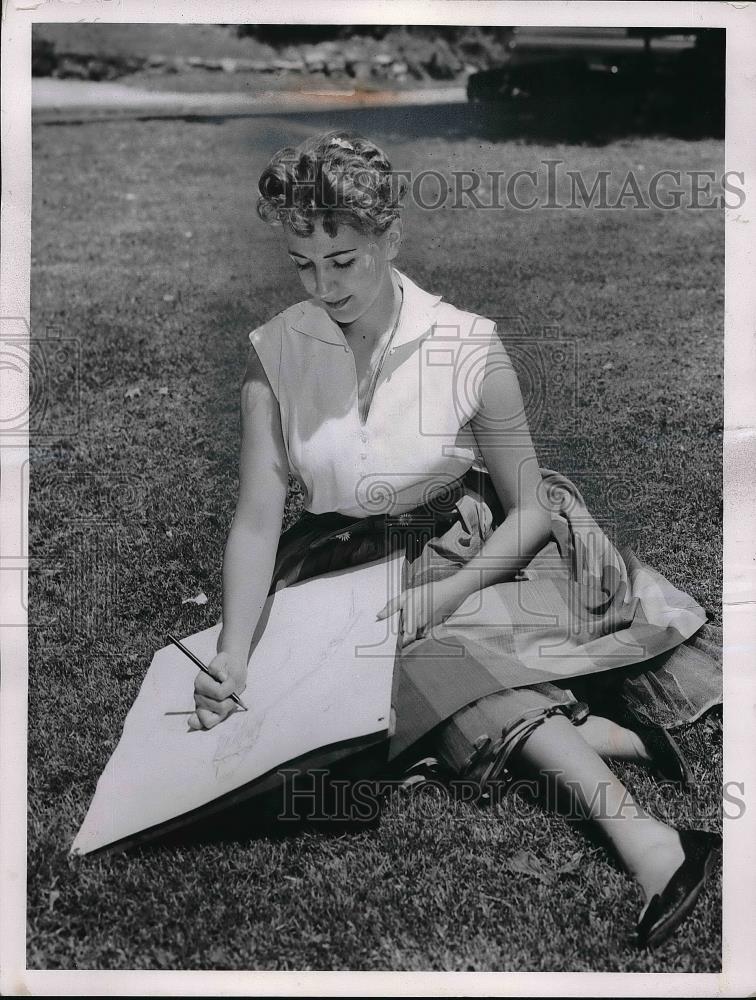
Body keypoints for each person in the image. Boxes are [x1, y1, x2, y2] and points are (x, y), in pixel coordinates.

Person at [187, 129, 722, 950]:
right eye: (304, 264)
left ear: (390, 237)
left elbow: (534, 508)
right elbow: (258, 519)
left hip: (481, 552)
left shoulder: (468, 342)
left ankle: (650, 842)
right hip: (340, 565)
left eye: (345, 260)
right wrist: (233, 650)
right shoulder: (274, 355)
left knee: (432, 659)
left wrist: (448, 590)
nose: (324, 286)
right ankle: (599, 731)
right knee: (340, 724)